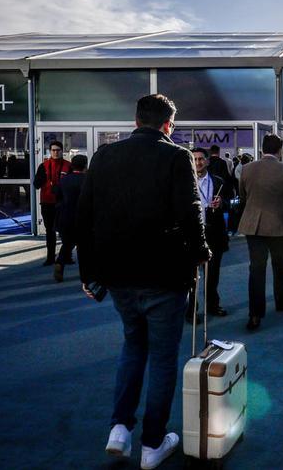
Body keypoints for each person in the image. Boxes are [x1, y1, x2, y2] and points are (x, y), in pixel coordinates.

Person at [75, 94, 208, 468]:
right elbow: (190, 211)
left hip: (118, 274)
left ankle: (119, 428)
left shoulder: (103, 156)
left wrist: (89, 273)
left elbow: (83, 217)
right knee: (164, 358)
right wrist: (200, 250)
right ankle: (152, 443)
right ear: (168, 125)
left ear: (135, 121)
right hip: (164, 274)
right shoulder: (176, 156)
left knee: (133, 346)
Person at [238, 133, 283, 332]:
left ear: (262, 149)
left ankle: (255, 314)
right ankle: (282, 301)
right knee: (280, 265)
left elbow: (242, 197)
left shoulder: (247, 169)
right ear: (279, 150)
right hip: (279, 227)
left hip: (253, 227)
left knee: (256, 269)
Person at [188, 148, 230, 318]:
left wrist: (222, 203)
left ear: (207, 161)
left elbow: (230, 202)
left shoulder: (219, 181)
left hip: (215, 233)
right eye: (195, 159)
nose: (198, 162)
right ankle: (191, 310)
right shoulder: (184, 182)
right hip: (192, 234)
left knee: (212, 274)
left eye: (201, 159)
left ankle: (213, 305)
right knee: (191, 276)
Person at [34, 141, 72, 267]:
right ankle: (50, 258)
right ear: (50, 151)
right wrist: (45, 180)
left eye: (58, 150)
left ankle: (67, 257)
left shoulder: (68, 166)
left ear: (62, 151)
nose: (56, 152)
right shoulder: (43, 166)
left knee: (65, 231)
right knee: (50, 231)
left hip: (63, 203)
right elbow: (36, 184)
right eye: (53, 150)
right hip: (47, 203)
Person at [52, 154, 87, 283]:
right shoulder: (87, 179)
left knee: (67, 244)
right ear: (85, 165)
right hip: (82, 217)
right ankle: (85, 275)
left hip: (66, 216)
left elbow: (58, 196)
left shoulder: (64, 180)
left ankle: (60, 263)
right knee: (84, 246)